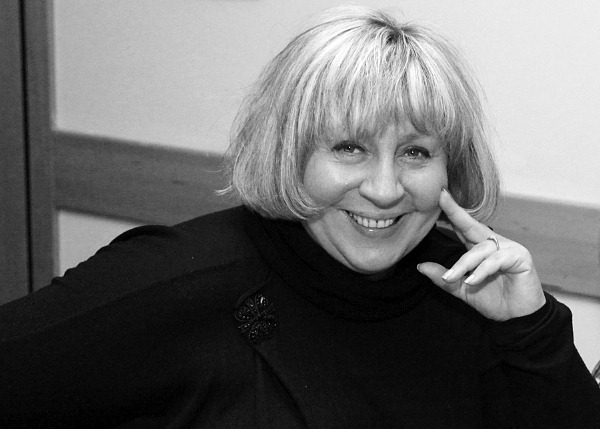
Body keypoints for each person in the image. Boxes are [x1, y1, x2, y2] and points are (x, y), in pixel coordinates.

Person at [0, 5, 599, 428]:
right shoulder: (177, 278)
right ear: (290, 152)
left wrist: (531, 330)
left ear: (450, 169)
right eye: (349, 147)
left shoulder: (472, 292)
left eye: (415, 153)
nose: (384, 190)